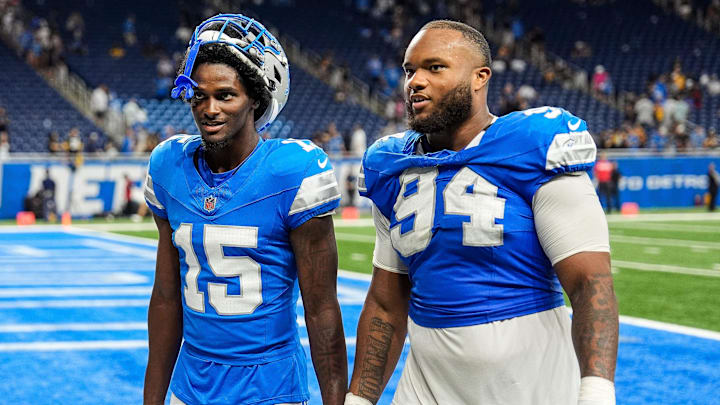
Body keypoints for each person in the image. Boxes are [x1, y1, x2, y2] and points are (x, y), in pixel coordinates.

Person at [345, 20, 618, 405]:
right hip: (427, 386)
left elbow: (590, 282)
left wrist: (597, 391)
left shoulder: (533, 146)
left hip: (531, 385)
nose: (415, 82)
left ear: (480, 77)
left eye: (434, 67)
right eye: (410, 70)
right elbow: (387, 304)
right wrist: (359, 399)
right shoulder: (391, 166)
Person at [143, 14, 347, 405]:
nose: (209, 109)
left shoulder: (291, 171)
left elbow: (321, 308)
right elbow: (167, 297)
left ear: (255, 97)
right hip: (191, 387)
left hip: (269, 390)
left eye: (225, 95)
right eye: (199, 95)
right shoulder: (169, 165)